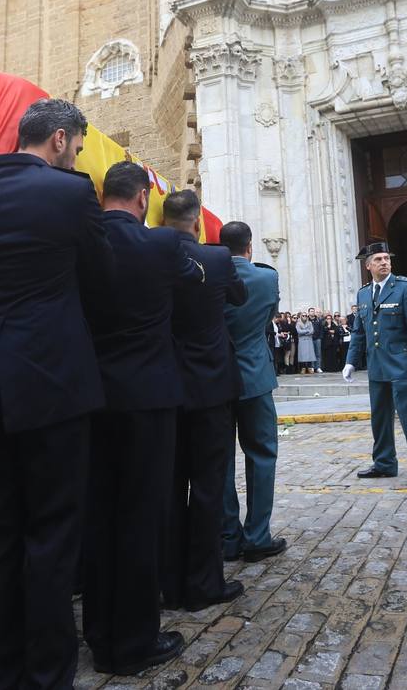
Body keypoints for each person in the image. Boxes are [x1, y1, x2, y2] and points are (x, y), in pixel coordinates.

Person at [0, 98, 115, 689]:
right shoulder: (71, 194)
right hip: (51, 375)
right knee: (52, 530)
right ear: (61, 140)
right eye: (79, 146)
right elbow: (103, 281)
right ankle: (46, 674)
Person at [83, 162, 201, 676]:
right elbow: (196, 282)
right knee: (140, 518)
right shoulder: (163, 246)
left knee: (98, 516)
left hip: (90, 398)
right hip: (149, 400)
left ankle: (100, 634)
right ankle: (133, 640)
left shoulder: (79, 246)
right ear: (141, 198)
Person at [162, 190, 247, 614]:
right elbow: (239, 298)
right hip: (211, 387)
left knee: (172, 488)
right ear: (196, 221)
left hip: (167, 388)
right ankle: (205, 581)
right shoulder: (216, 259)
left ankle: (172, 583)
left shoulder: (150, 254)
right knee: (209, 487)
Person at [220, 221, 287, 563]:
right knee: (261, 454)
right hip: (256, 378)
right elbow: (267, 320)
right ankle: (257, 535)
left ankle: (228, 537)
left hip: (217, 379)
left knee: (220, 461)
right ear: (250, 248)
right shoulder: (266, 278)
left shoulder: (209, 275)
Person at [343, 242, 407, 490]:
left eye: (387, 258)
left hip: (403, 365)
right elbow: (359, 332)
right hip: (377, 367)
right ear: (368, 265)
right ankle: (384, 463)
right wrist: (351, 361)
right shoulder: (363, 293)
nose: (384, 262)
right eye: (379, 259)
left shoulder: (405, 288)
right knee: (380, 418)